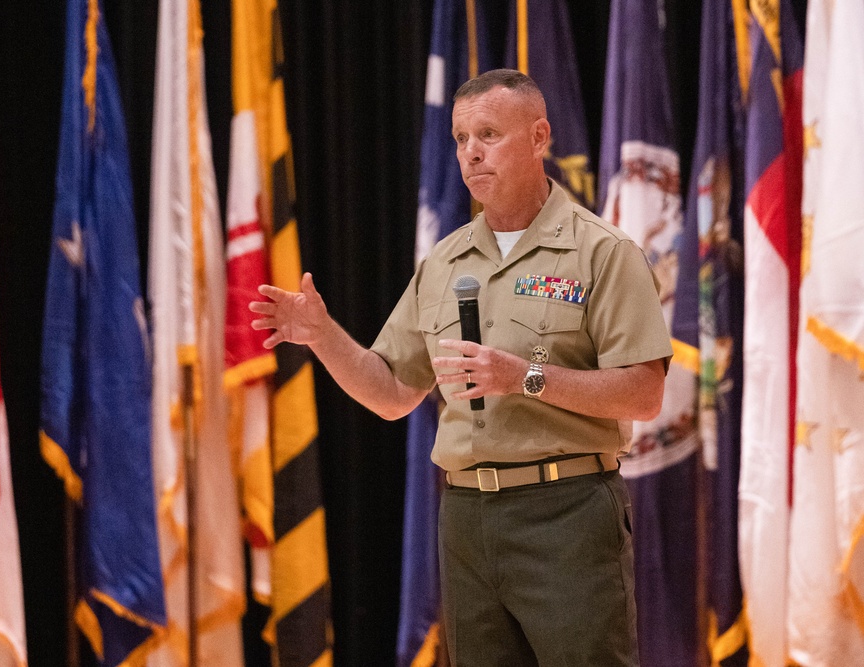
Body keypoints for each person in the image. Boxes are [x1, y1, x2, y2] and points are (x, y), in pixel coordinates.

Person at [249, 69, 672, 666]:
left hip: (568, 514)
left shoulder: (601, 252)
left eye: (489, 134)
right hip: (468, 518)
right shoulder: (445, 263)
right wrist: (322, 336)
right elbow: (393, 391)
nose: (470, 152)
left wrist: (523, 377)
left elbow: (643, 393)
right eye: (460, 137)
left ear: (539, 136)